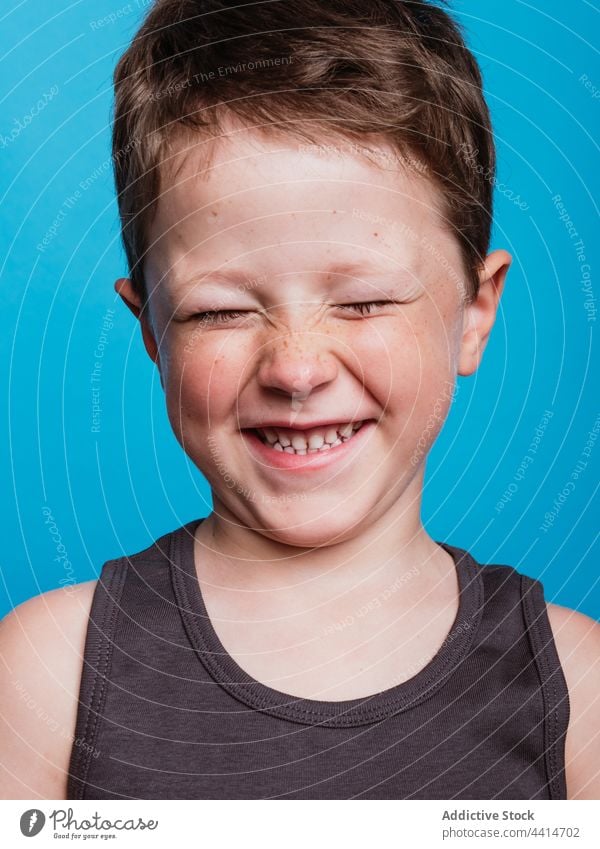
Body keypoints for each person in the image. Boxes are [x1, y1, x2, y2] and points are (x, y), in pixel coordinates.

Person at [1, 0, 599, 800]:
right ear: (151, 328)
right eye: (221, 310)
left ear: (474, 314)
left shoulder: (578, 692)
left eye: (364, 302)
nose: (296, 367)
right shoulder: (47, 675)